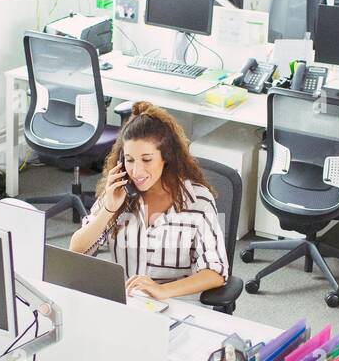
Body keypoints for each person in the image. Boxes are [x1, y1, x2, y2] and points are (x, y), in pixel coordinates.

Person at [68, 101, 229, 301]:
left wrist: (162, 291)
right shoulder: (118, 193)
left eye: (146, 160)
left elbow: (216, 272)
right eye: (129, 160)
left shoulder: (198, 201)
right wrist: (108, 209)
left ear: (166, 157)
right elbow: (77, 251)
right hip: (128, 303)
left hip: (177, 306)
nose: (137, 171)